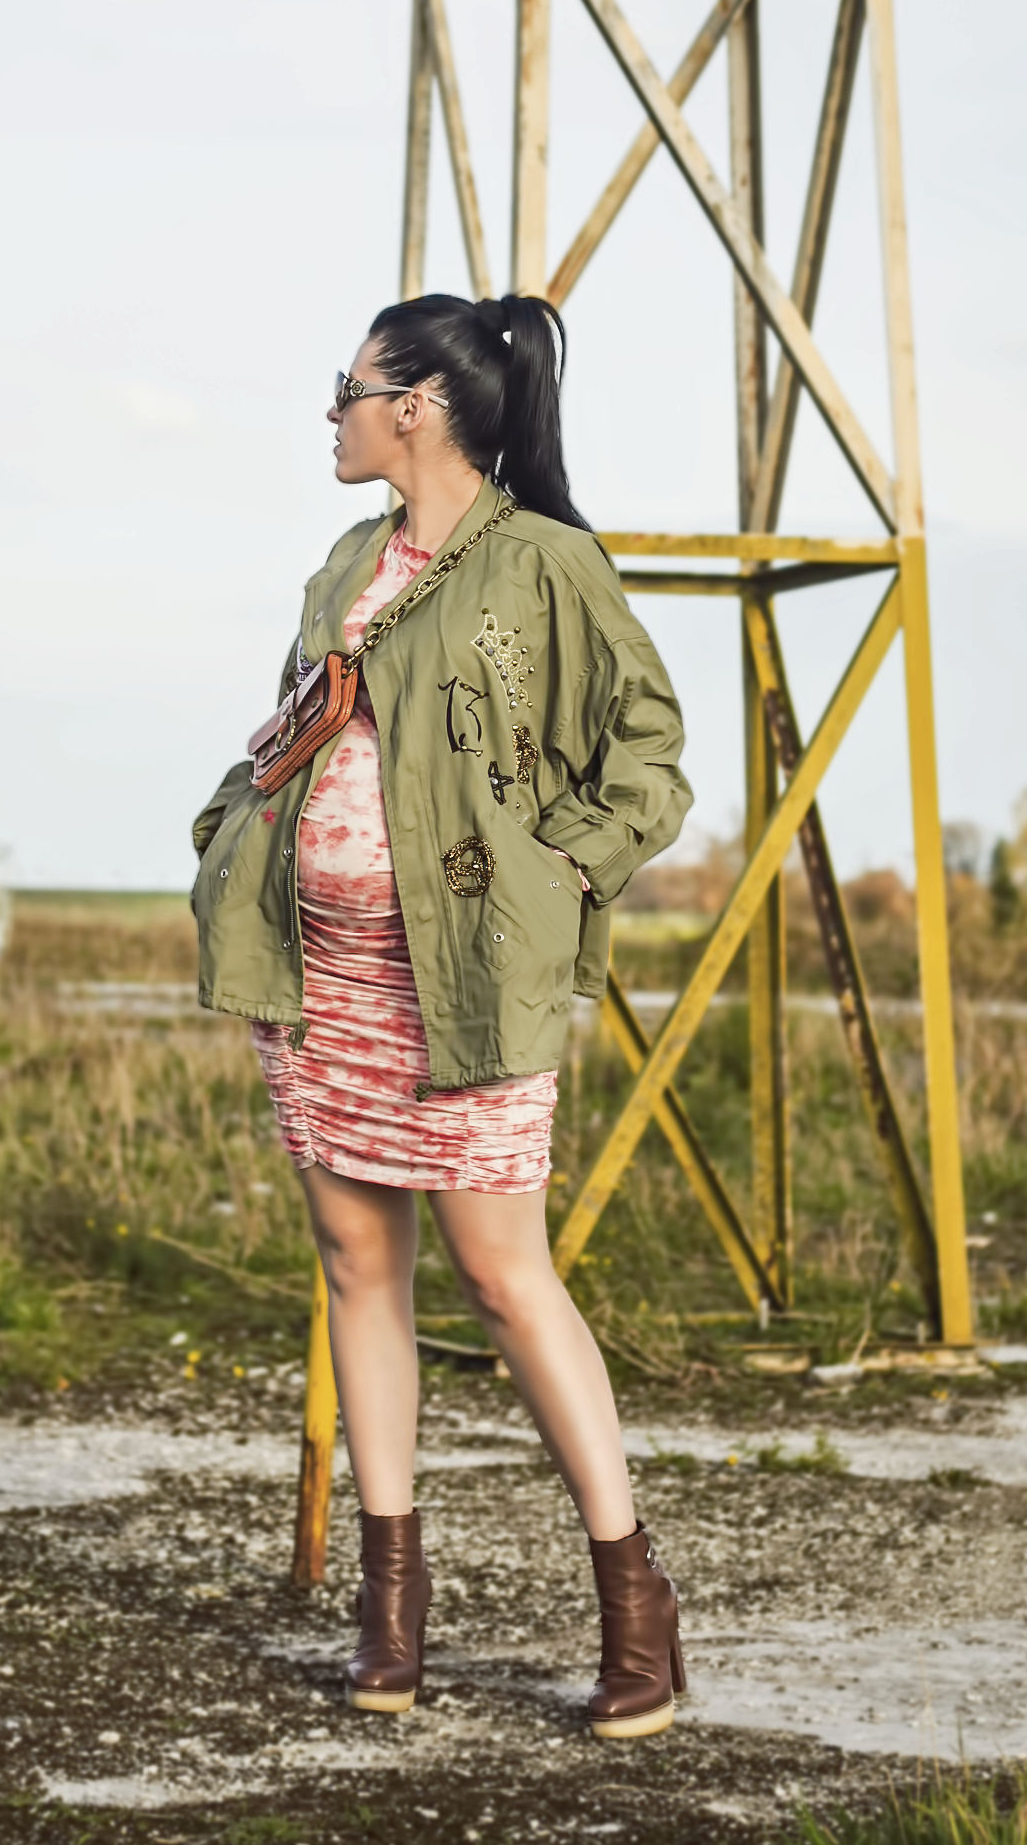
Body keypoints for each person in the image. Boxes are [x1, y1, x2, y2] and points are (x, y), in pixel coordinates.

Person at [190, 292, 693, 1737]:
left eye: (348, 387)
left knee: (502, 1275)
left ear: (415, 403)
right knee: (358, 1262)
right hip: (320, 972)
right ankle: (392, 1613)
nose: (332, 412)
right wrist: (228, 828)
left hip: (463, 977)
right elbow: (294, 725)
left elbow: (649, 752)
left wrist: (561, 870)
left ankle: (636, 1605)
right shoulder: (348, 562)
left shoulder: (545, 563)